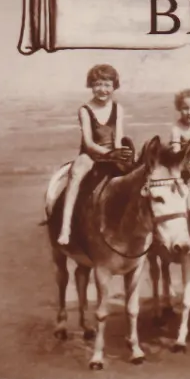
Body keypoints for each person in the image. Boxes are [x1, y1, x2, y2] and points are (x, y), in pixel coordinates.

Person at [56, 64, 132, 247]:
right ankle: (65, 228)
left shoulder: (118, 108)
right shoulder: (85, 109)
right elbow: (89, 143)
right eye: (98, 84)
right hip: (91, 155)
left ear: (114, 86)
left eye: (107, 85)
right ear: (91, 85)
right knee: (76, 175)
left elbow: (118, 137)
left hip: (113, 153)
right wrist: (109, 153)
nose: (102, 89)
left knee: (136, 177)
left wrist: (120, 154)